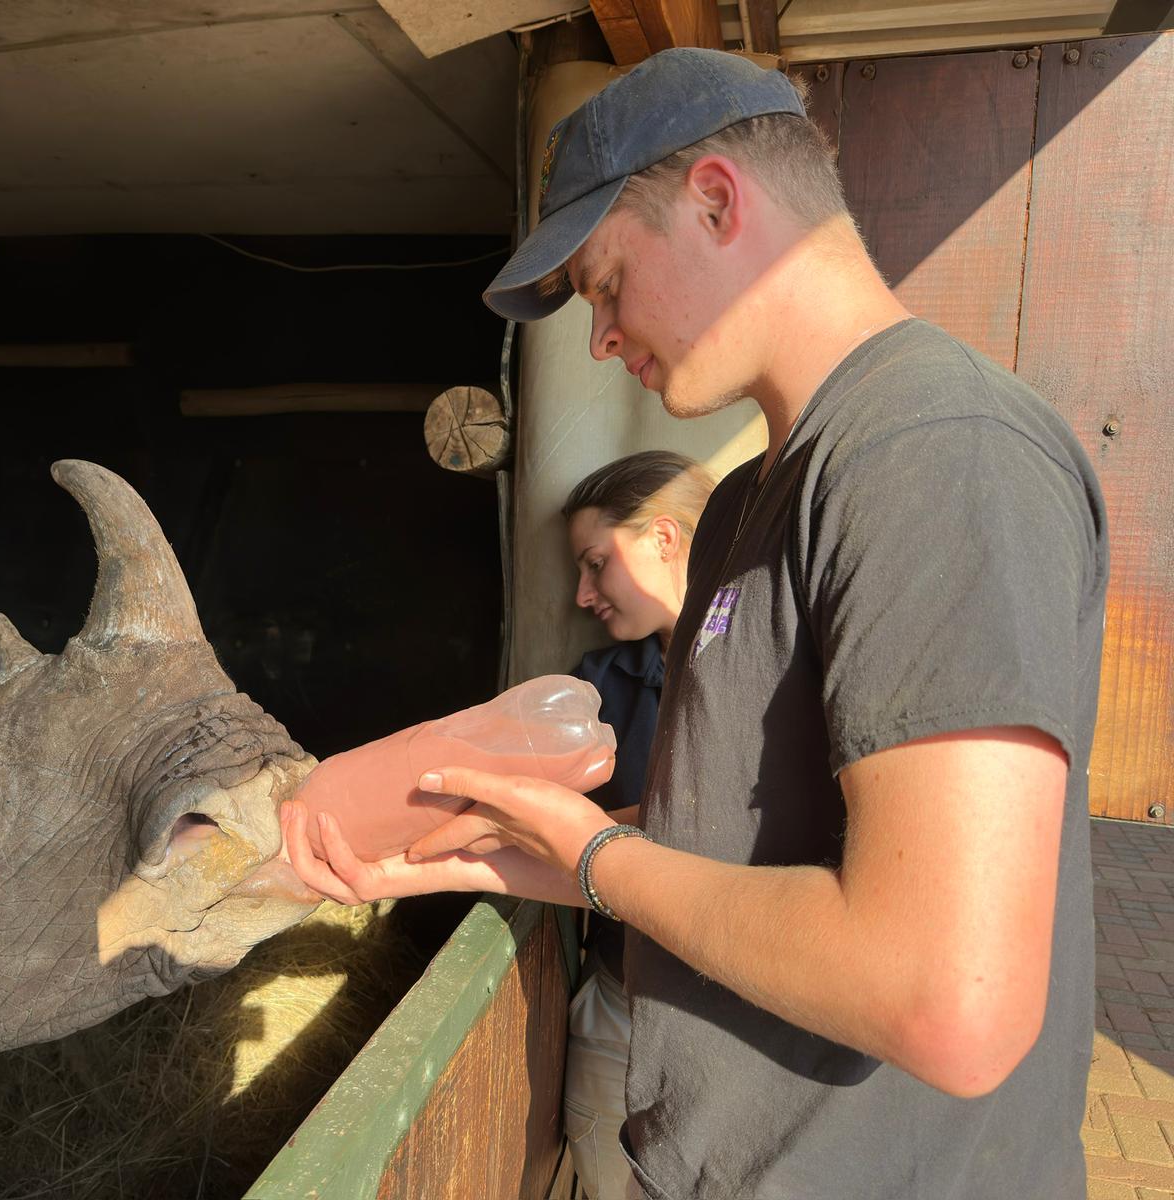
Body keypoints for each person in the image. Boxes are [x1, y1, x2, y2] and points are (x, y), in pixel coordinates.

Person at [282, 46, 1107, 1200]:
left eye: (606, 284)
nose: (603, 336)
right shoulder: (738, 506)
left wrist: (594, 852)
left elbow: (950, 999)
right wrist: (465, 857)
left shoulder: (934, 450)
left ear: (718, 200)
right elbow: (724, 868)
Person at [561, 451, 714, 1200]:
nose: (582, 594)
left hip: (731, 1018)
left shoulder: (770, 668)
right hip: (618, 993)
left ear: (662, 538)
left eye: (596, 564)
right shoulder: (599, 683)